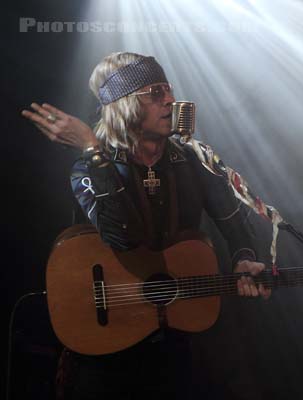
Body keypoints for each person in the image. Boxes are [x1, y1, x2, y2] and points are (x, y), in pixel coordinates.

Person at [22, 52, 270, 399]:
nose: (170, 99)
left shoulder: (193, 160)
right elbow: (123, 237)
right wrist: (93, 150)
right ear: (125, 105)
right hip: (108, 344)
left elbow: (236, 224)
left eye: (167, 89)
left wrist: (244, 258)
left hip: (177, 340)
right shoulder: (90, 167)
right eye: (155, 93)